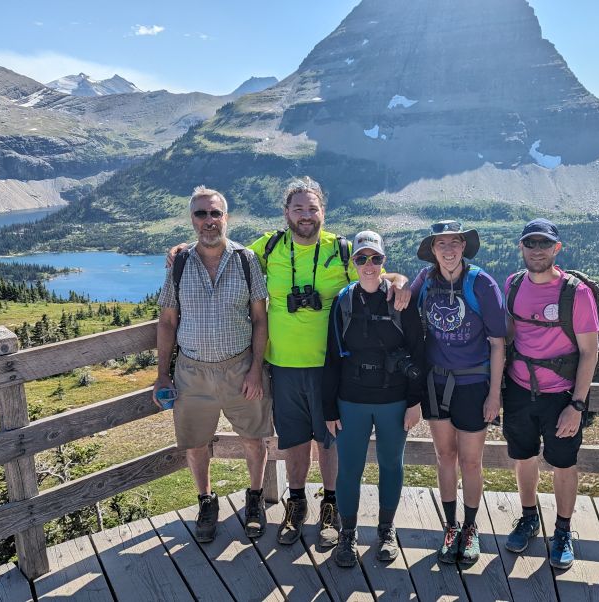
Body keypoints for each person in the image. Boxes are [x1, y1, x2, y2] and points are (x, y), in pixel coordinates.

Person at [167, 177, 410, 548]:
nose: (306, 215)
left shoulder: (342, 250)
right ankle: (296, 504)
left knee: (328, 439)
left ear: (323, 213)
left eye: (312, 208)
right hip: (281, 365)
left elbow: (375, 271)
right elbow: (223, 251)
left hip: (331, 366)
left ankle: (330, 505)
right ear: (286, 213)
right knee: (295, 439)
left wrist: (400, 280)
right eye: (298, 208)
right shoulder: (269, 246)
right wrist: (183, 248)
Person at [154, 185, 272, 544]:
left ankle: (255, 500)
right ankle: (206, 501)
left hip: (240, 368)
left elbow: (260, 319)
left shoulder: (246, 260)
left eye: (215, 213)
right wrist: (162, 373)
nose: (209, 221)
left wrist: (255, 368)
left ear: (226, 217)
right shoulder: (181, 263)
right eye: (201, 214)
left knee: (253, 438)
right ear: (191, 219)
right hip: (192, 372)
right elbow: (167, 321)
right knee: (195, 443)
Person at [322, 231, 425, 568]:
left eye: (375, 258)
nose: (368, 265)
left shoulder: (401, 299)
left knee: (390, 465)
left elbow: (417, 350)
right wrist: (328, 407)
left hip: (394, 400)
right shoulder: (343, 301)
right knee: (349, 469)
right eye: (361, 258)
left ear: (384, 262)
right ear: (353, 263)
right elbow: (332, 357)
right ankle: (347, 534)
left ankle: (386, 529)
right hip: (351, 400)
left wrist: (414, 401)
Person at [502, 218, 599, 570]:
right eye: (531, 243)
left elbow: (590, 352)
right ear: (521, 248)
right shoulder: (512, 285)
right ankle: (529, 517)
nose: (537, 250)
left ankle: (562, 530)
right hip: (518, 391)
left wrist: (577, 405)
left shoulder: (576, 293)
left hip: (561, 396)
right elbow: (509, 336)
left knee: (563, 463)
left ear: (557, 248)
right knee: (523, 457)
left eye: (545, 244)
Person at [410, 220, 506, 567]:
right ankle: (450, 527)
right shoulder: (426, 280)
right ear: (432, 251)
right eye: (441, 244)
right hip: (437, 383)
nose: (448, 250)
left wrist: (494, 395)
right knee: (444, 456)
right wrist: (393, 281)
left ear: (464, 247)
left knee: (471, 460)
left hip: (473, 384)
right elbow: (403, 295)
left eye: (455, 243)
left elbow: (498, 343)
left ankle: (470, 527)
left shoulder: (482, 284)